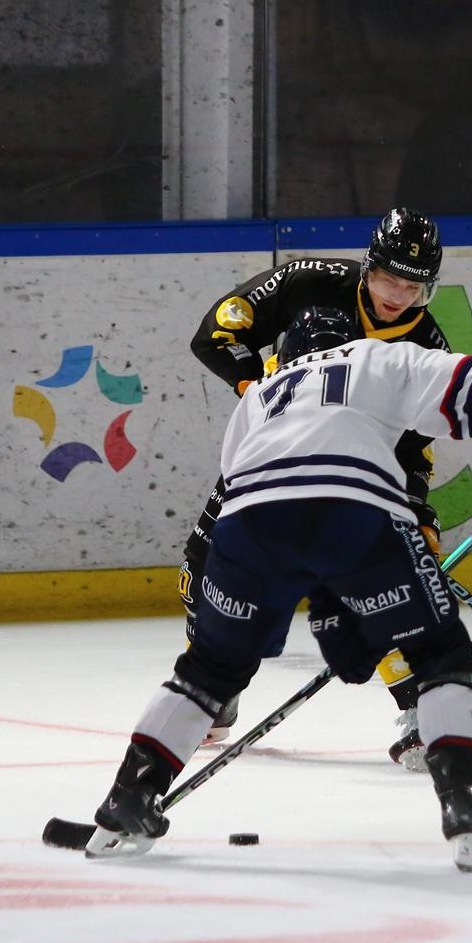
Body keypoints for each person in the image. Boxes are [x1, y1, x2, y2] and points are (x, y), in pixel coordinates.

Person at [89, 306, 472, 872]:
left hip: (245, 526)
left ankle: (128, 798)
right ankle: (465, 805)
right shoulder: (373, 356)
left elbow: (277, 500)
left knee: (207, 670)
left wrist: (333, 607)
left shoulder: (258, 397)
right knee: (438, 651)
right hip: (351, 509)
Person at [185, 208, 448, 765]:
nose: (399, 297)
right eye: (389, 279)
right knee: (205, 565)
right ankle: (215, 686)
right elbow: (216, 334)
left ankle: (420, 709)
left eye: (414, 287)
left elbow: (412, 448)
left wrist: (417, 513)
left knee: (369, 584)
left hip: (352, 468)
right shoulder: (310, 281)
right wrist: (261, 390)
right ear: (368, 266)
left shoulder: (427, 351)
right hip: (273, 451)